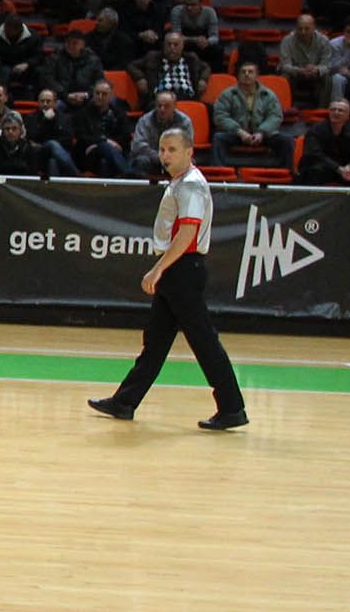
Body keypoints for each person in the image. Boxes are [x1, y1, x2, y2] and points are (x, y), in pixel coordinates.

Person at [89, 123, 247, 431]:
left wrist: (159, 267)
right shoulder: (179, 183)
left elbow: (187, 234)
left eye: (172, 150)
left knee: (203, 340)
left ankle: (232, 408)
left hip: (183, 269)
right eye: (162, 149)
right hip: (178, 268)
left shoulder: (190, 186)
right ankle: (125, 401)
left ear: (189, 152)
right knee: (157, 341)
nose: (165, 155)